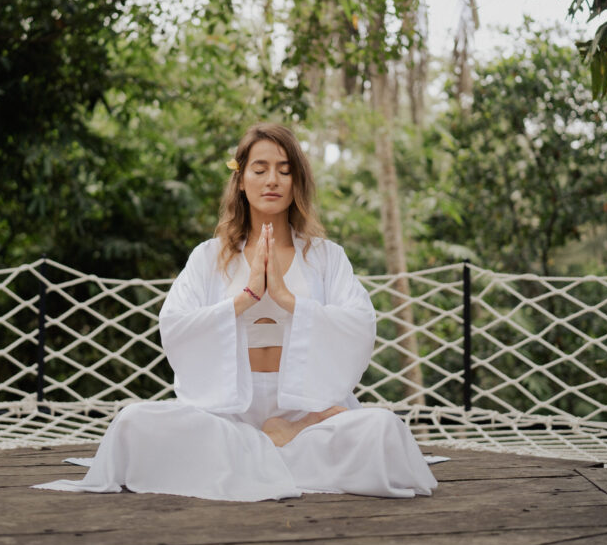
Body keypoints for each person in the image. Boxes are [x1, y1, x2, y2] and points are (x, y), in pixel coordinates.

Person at [34, 123, 437, 501]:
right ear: (241, 180)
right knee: (131, 424)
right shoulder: (209, 256)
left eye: (284, 170)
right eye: (260, 169)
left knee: (383, 430)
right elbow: (175, 324)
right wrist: (245, 298)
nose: (272, 180)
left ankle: (293, 432)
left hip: (306, 406)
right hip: (226, 410)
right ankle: (273, 445)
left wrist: (287, 299)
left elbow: (359, 324)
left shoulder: (326, 257)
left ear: (297, 181)